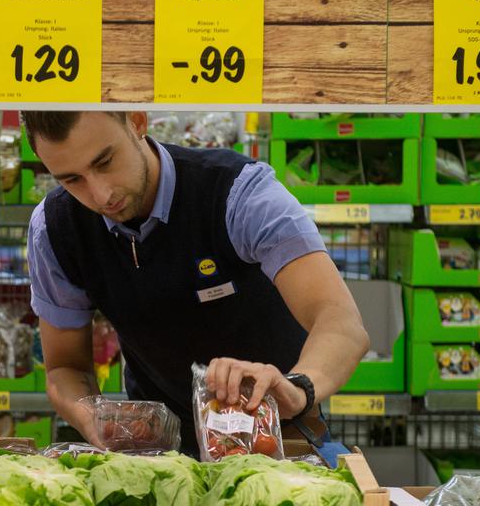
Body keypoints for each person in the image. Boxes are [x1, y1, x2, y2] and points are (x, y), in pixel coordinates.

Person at [23, 110, 369, 455]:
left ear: (137, 121)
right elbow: (65, 367)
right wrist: (94, 417)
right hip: (159, 454)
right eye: (71, 180)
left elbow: (341, 322)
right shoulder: (55, 229)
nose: (100, 195)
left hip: (276, 438)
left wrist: (297, 389)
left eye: (106, 161)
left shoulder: (240, 193)